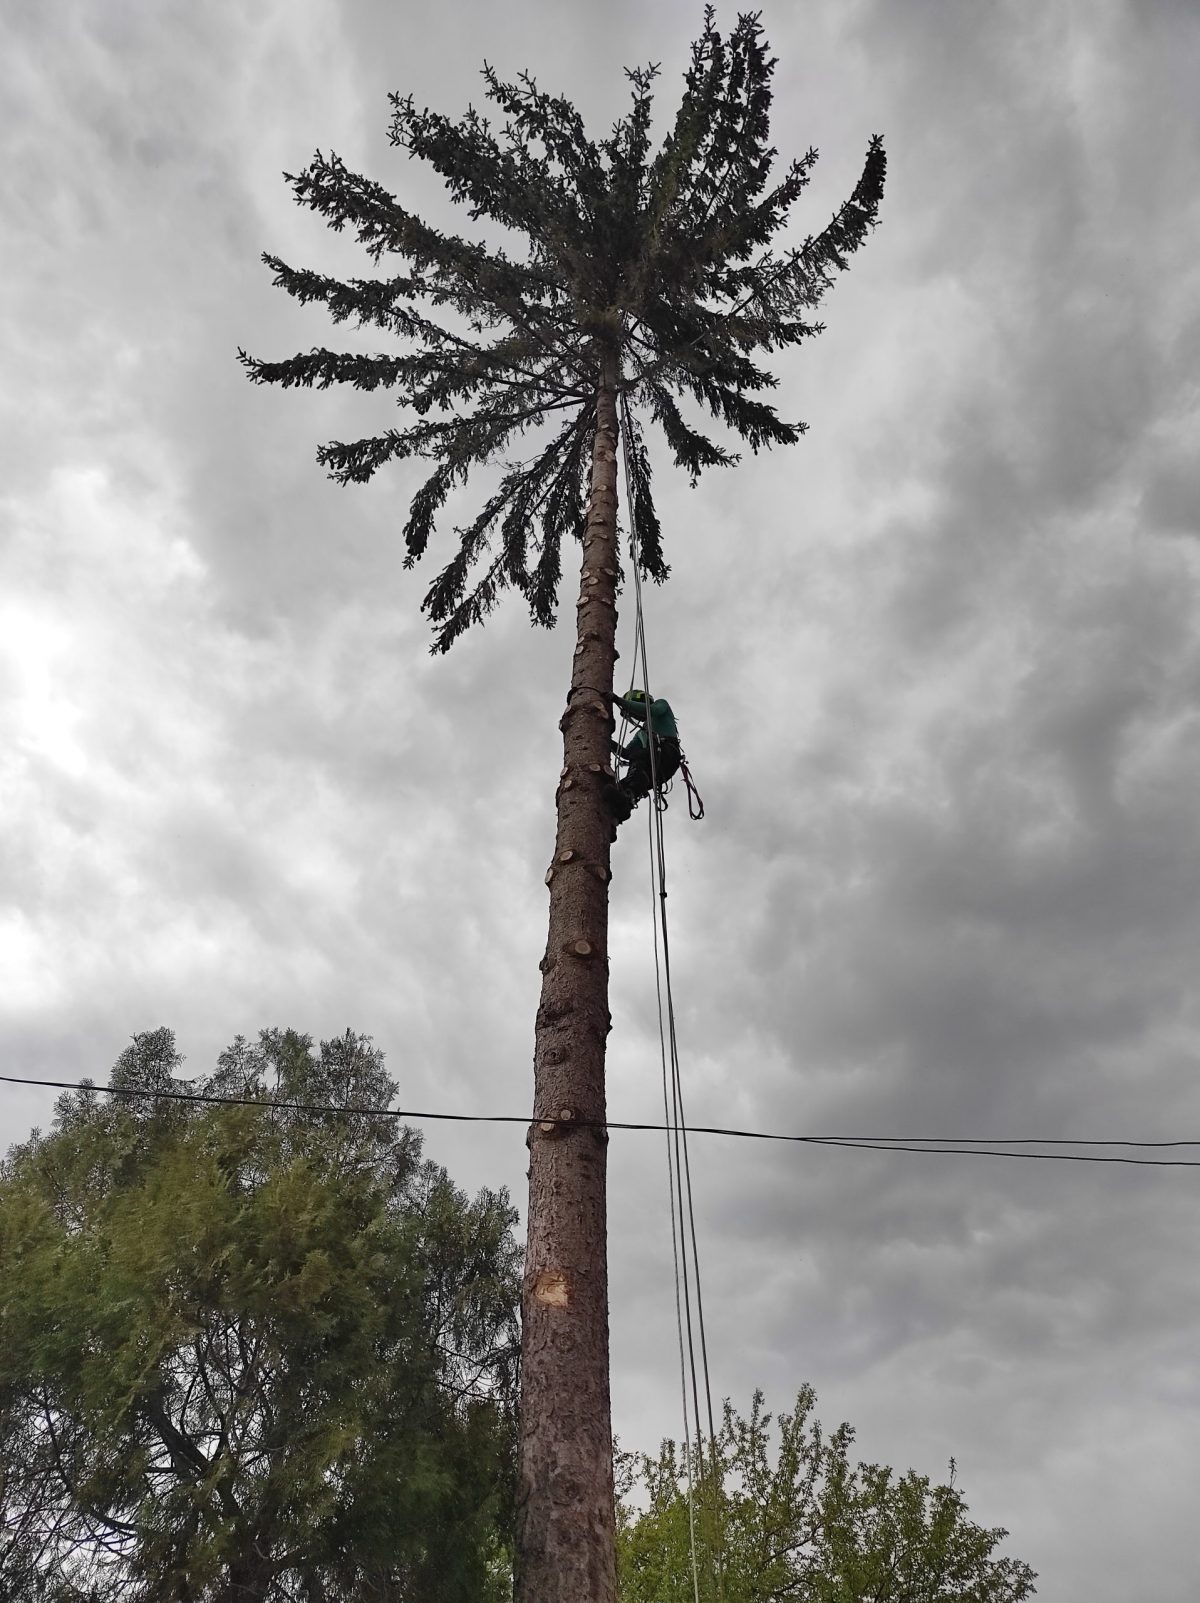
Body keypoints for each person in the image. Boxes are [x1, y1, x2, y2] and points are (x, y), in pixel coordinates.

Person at [607, 689, 682, 828]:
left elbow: (653, 710)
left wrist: (619, 701)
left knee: (639, 757)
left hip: (667, 754)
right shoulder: (642, 733)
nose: (634, 716)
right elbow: (626, 753)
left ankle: (628, 796)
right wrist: (605, 741)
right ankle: (619, 812)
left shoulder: (661, 705)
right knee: (625, 783)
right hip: (654, 767)